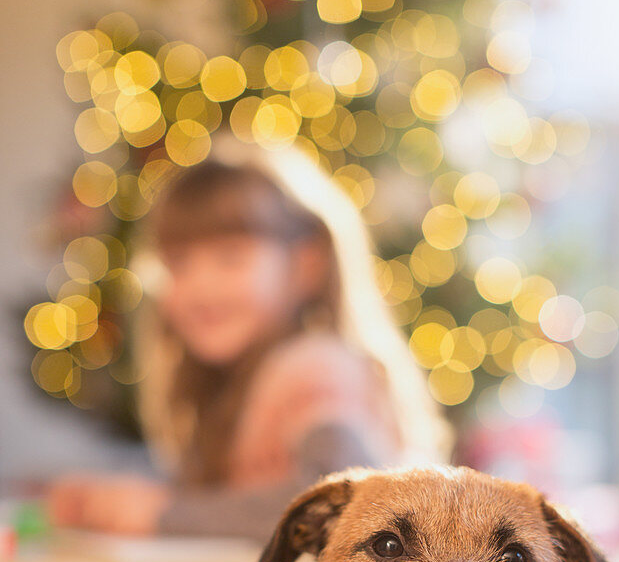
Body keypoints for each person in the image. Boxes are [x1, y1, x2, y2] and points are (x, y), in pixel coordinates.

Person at [49, 142, 447, 539]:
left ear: (306, 265)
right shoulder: (237, 380)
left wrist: (165, 515)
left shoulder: (314, 366)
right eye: (179, 263)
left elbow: (347, 503)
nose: (200, 287)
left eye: (230, 257)